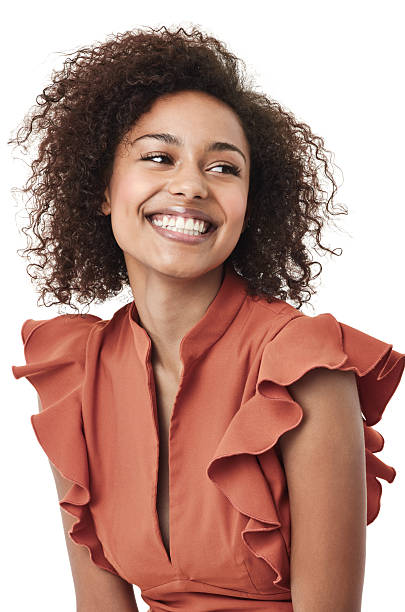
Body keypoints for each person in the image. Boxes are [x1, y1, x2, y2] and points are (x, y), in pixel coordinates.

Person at [10, 25, 405, 612]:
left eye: (224, 168)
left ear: (253, 202)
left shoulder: (301, 366)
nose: (191, 185)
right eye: (158, 157)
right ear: (101, 188)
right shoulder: (73, 375)